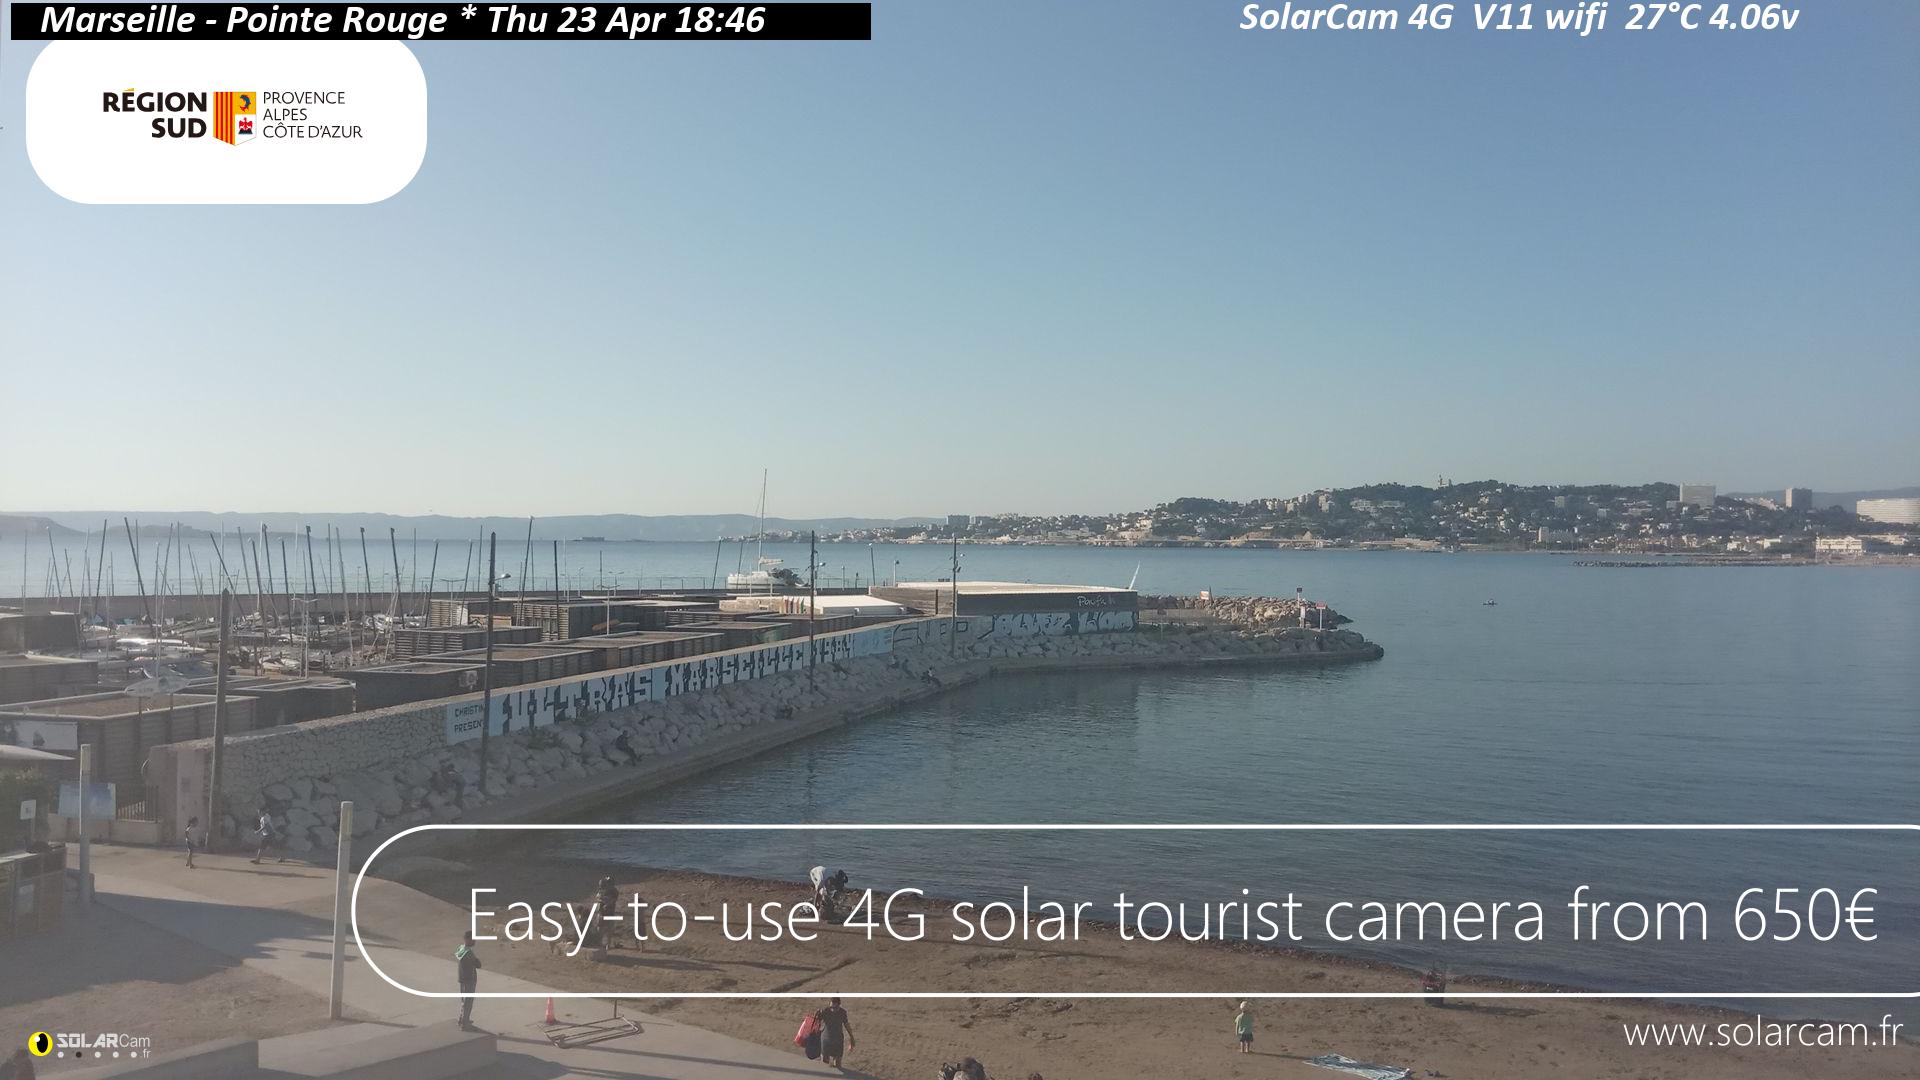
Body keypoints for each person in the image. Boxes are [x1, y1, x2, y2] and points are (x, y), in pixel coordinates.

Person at [813, 997, 853, 1068]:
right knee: (824, 1065)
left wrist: (851, 1037)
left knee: (838, 1065)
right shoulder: (825, 1011)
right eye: (831, 1007)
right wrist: (817, 1015)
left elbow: (846, 1025)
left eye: (835, 1007)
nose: (833, 1009)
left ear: (839, 1005)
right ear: (829, 1004)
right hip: (826, 1040)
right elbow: (816, 1023)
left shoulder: (842, 1012)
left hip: (838, 1041)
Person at [455, 931, 482, 1028]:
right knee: (468, 1002)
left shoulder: (461, 948)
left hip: (462, 978)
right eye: (473, 939)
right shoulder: (469, 953)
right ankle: (464, 1022)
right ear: (468, 939)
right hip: (469, 979)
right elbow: (478, 964)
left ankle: (462, 1019)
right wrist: (476, 960)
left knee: (464, 1001)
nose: (475, 941)